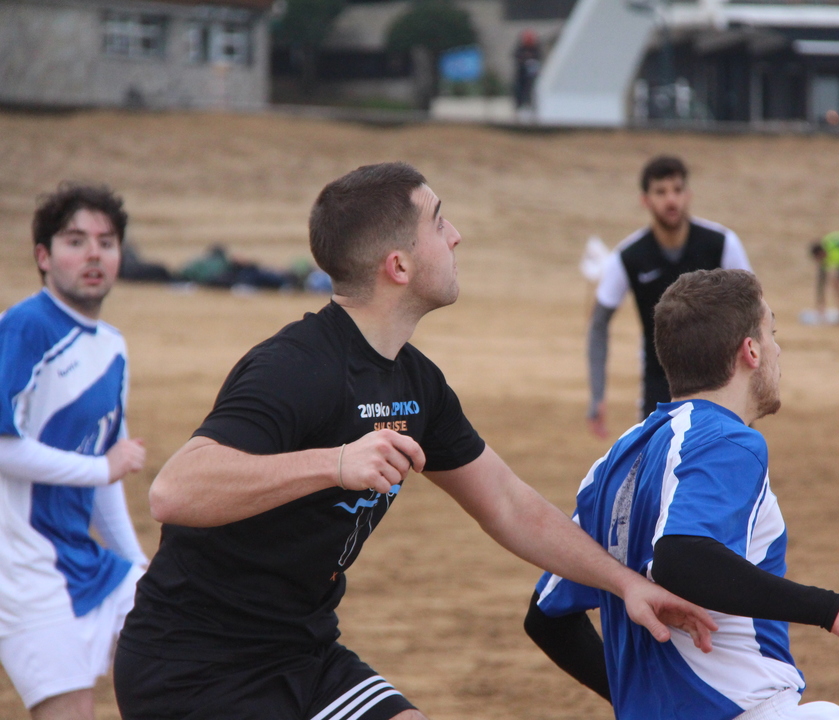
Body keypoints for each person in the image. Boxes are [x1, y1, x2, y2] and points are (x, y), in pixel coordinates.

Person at [112, 162, 716, 720]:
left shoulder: (417, 382)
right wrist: (335, 463)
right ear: (398, 266)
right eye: (439, 222)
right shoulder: (295, 365)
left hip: (303, 652)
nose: (456, 237)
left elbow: (508, 503)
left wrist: (625, 583)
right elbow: (174, 491)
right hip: (192, 667)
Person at [525, 269, 839, 719]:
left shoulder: (615, 461)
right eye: (772, 333)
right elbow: (681, 557)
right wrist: (835, 610)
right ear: (751, 351)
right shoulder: (726, 439)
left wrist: (642, 702)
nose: (778, 349)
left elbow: (546, 617)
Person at [0, 183, 148, 720]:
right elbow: (3, 448)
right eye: (75, 240)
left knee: (180, 651)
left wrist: (137, 563)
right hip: (24, 571)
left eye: (106, 243)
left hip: (89, 563)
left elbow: (108, 477)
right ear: (43, 256)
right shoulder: (26, 326)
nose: (93, 255)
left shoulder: (112, 345)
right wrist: (100, 467)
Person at [587, 155, 752, 437]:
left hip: (724, 383)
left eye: (677, 190)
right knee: (657, 462)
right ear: (645, 200)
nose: (671, 200)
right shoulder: (629, 257)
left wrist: (752, 379)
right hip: (659, 386)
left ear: (688, 194)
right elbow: (599, 323)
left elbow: (753, 309)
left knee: (732, 460)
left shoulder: (722, 244)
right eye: (661, 192)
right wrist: (597, 395)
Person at [513, 29, 542, 112]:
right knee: (519, 90)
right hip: (521, 74)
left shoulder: (535, 49)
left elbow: (539, 57)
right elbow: (516, 56)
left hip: (531, 76)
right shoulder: (520, 48)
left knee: (531, 90)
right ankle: (519, 105)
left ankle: (530, 105)